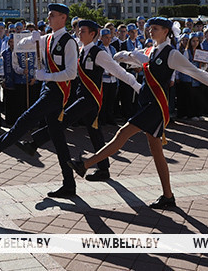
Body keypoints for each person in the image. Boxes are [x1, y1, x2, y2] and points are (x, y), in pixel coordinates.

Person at [68, 18, 208, 208]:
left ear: (166, 31)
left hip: (156, 106)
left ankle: (84, 165)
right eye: (150, 28)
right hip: (147, 103)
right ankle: (168, 196)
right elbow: (138, 58)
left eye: (155, 28)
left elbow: (197, 73)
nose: (150, 31)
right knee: (156, 151)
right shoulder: (151, 50)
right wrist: (124, 56)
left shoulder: (171, 54)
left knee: (122, 134)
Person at [16, 20, 141, 193]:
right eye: (78, 30)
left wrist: (138, 87)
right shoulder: (80, 50)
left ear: (93, 34)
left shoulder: (99, 53)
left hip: (90, 99)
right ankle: (103, 169)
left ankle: (34, 143)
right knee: (94, 133)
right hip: (82, 97)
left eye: (83, 31)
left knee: (63, 120)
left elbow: (118, 71)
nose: (79, 33)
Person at [0, 4, 78, 178]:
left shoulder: (68, 42)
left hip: (57, 93)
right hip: (47, 89)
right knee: (58, 139)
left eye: (52, 15)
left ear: (63, 18)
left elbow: (71, 73)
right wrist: (30, 39)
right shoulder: (46, 39)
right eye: (48, 15)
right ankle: (69, 183)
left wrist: (46, 76)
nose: (48, 18)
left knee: (22, 122)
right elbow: (20, 45)